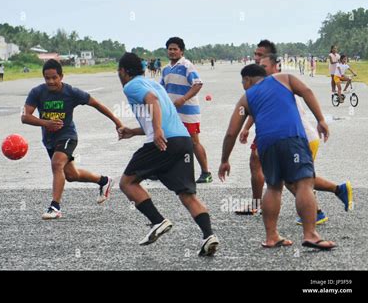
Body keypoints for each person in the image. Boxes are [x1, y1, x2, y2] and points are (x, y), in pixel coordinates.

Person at [219, 64, 336, 250]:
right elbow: (306, 91)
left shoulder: (245, 99)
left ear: (247, 80)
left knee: (273, 187)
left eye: (243, 82)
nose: (243, 85)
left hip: (266, 145)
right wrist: (320, 119)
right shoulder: (285, 79)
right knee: (304, 183)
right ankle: (310, 235)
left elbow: (231, 133)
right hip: (292, 137)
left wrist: (224, 160)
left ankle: (271, 236)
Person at [116, 52, 219, 256]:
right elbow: (161, 111)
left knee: (127, 183)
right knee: (187, 194)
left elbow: (152, 102)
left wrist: (157, 131)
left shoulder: (132, 86)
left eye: (118, 72)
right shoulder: (154, 84)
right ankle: (209, 235)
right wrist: (134, 131)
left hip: (164, 142)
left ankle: (157, 220)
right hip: (182, 140)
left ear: (123, 71)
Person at [21, 59, 122, 219]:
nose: (51, 81)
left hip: (68, 136)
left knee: (56, 164)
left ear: (61, 76)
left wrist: (117, 122)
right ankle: (104, 181)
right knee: (71, 175)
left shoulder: (71, 92)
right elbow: (25, 117)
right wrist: (45, 123)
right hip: (49, 140)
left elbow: (97, 104)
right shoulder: (37, 92)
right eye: (47, 78)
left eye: (54, 77)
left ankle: (55, 207)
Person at [259, 55, 353, 221]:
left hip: (302, 138)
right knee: (297, 179)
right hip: (302, 137)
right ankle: (328, 200)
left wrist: (321, 120)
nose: (261, 70)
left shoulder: (277, 88)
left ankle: (319, 209)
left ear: (276, 68)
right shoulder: (278, 86)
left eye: (264, 66)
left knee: (297, 180)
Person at [161, 37, 212, 183]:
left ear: (181, 51)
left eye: (175, 49)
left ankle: (206, 172)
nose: (172, 51)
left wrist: (183, 99)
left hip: (188, 112)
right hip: (172, 112)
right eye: (170, 49)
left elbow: (198, 84)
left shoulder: (186, 65)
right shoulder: (165, 69)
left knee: (194, 142)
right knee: (169, 140)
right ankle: (165, 170)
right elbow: (162, 89)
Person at [235, 40, 277, 214]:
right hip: (268, 127)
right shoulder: (262, 75)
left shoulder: (270, 76)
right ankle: (256, 203)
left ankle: (319, 203)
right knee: (257, 161)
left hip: (274, 128)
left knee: (289, 174)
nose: (256, 58)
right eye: (256, 54)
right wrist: (246, 127)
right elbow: (256, 105)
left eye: (260, 55)